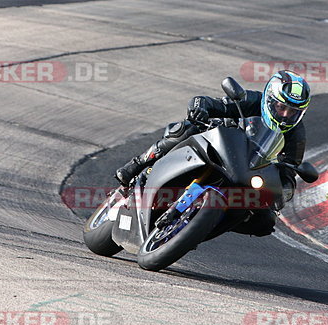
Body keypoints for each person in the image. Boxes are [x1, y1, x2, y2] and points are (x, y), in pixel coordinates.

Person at [114, 70, 311, 236]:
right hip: (218, 143)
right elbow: (209, 103)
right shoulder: (252, 101)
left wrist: (282, 194)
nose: (285, 114)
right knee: (185, 128)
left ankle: (200, 229)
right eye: (281, 107)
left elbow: (289, 172)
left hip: (246, 170)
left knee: (266, 221)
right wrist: (200, 109)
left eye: (292, 111)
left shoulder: (296, 135)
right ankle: (137, 165)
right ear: (270, 100)